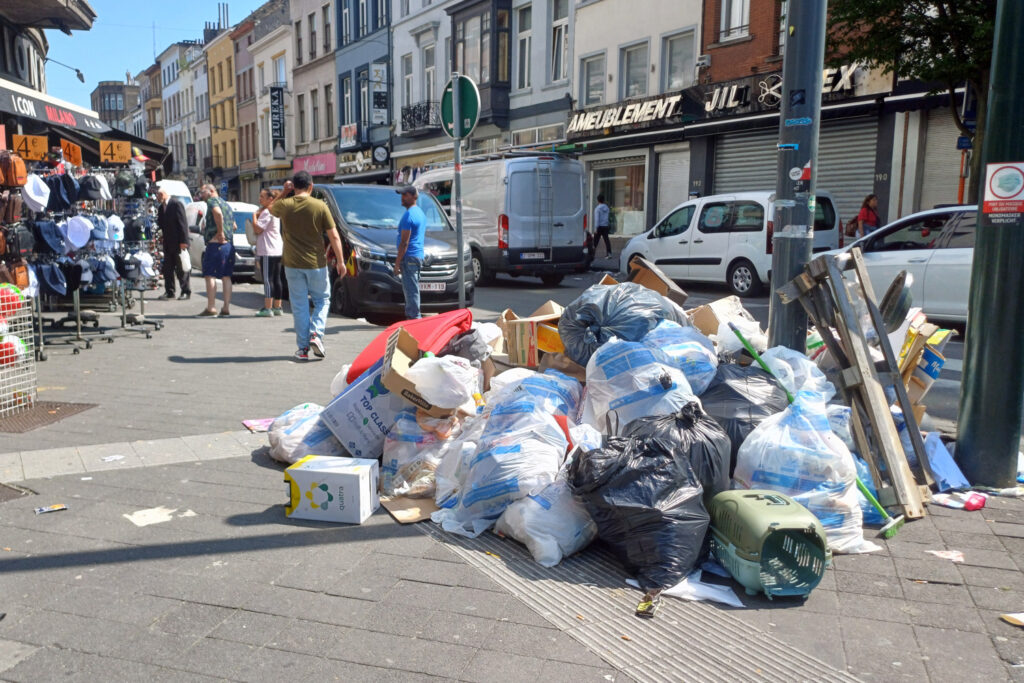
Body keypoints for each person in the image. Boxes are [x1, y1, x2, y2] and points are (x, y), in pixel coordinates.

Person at [268, 171, 346, 361]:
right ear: (311, 186)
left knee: (300, 305)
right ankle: (316, 334)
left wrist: (284, 192)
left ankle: (303, 349)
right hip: (316, 263)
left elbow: (270, 208)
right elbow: (334, 235)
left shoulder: (285, 205)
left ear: (293, 186)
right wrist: (341, 261)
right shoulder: (320, 206)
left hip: (292, 264)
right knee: (322, 300)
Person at [196, 183, 235, 317]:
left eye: (203, 192)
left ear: (211, 191)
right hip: (228, 245)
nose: (201, 195)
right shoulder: (227, 204)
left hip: (215, 244)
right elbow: (234, 226)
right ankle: (226, 307)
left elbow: (217, 213)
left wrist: (220, 231)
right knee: (226, 276)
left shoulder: (213, 201)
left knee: (210, 275)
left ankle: (211, 307)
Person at [394, 186, 426, 320]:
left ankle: (414, 319)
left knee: (410, 291)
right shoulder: (420, 213)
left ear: (413, 196)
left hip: (409, 257)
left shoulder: (409, 215)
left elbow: (404, 242)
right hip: (417, 256)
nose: (402, 197)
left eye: (405, 195)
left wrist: (397, 263)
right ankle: (414, 317)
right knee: (412, 289)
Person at [155, 187, 191, 300]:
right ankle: (169, 291)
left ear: (164, 194)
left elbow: (183, 223)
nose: (157, 197)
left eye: (159, 195)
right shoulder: (161, 207)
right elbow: (161, 224)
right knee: (167, 269)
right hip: (167, 242)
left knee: (181, 269)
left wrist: (184, 241)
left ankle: (185, 291)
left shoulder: (176, 204)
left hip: (178, 242)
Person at [253, 188, 284, 317]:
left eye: (262, 197)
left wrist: (254, 216)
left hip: (267, 250)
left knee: (267, 279)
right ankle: (278, 306)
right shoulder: (275, 212)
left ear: (270, 199)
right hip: (277, 249)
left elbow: (257, 229)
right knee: (277, 278)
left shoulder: (267, 212)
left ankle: (268, 308)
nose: (260, 199)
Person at [593, 194, 612, 258]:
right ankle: (609, 254)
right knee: (606, 240)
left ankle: (592, 255)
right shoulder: (607, 208)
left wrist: (596, 228)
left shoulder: (597, 209)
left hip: (599, 227)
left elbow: (597, 219)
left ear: (598, 200)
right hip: (605, 226)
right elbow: (607, 217)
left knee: (595, 242)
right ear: (603, 200)